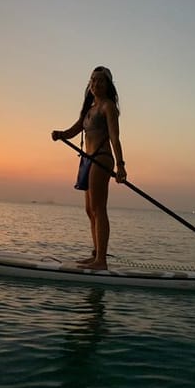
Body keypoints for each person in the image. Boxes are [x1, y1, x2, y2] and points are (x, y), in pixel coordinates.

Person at [51, 66, 127, 270]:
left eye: (101, 81)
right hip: (86, 160)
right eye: (93, 80)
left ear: (108, 85)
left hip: (102, 158)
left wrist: (120, 165)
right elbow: (76, 128)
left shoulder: (108, 106)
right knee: (89, 210)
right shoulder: (90, 108)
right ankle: (96, 255)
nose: (96, 84)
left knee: (99, 208)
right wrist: (61, 134)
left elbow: (114, 137)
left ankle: (101, 260)